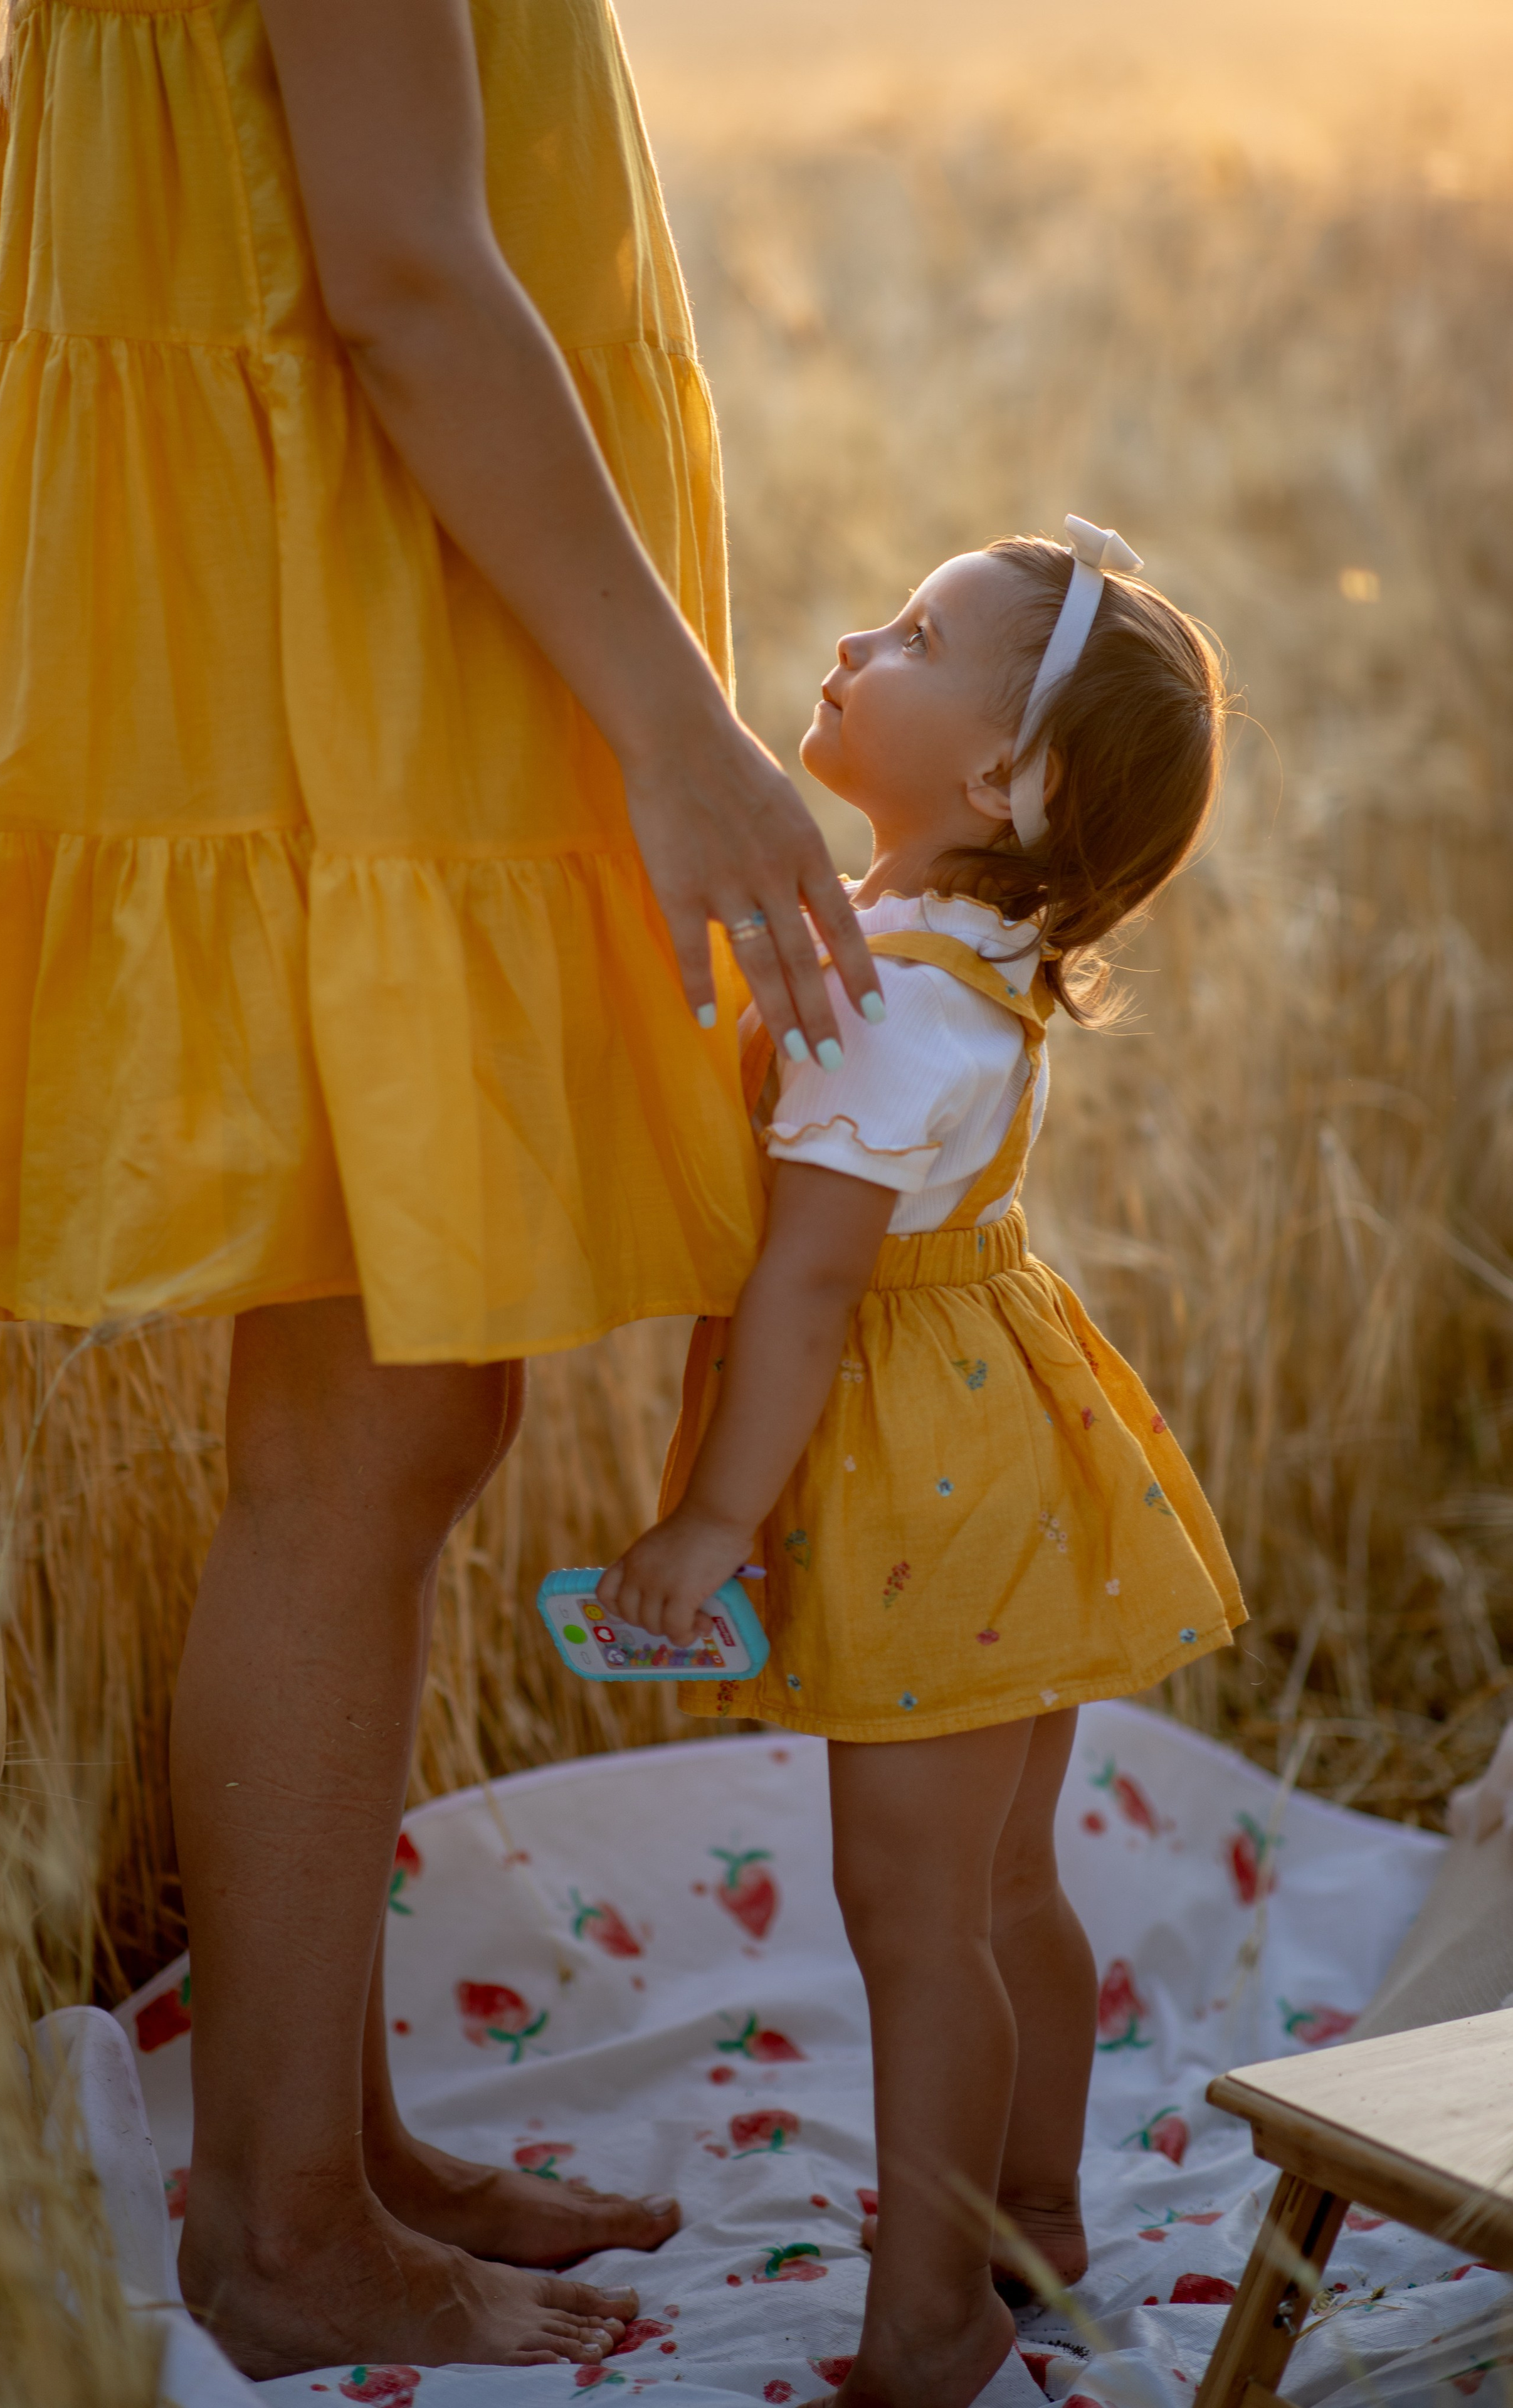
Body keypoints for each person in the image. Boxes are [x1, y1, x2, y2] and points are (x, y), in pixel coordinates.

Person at [0, 0, 886, 2380]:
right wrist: (683, 734)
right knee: (369, 1416)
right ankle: (282, 2225)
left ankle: (326, 2141)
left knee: (400, 1403)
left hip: (363, 567)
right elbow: (403, 280)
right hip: (338, 586)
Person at [601, 520, 1247, 2408]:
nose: (853, 639)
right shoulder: (941, 954)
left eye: (910, 634)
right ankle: (1035, 2221)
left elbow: (808, 1287)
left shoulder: (879, 1011)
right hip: (1006, 1446)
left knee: (914, 1915)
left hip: (926, 1487)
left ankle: (934, 2314)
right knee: (1004, 1884)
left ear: (1001, 776)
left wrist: (716, 1516)